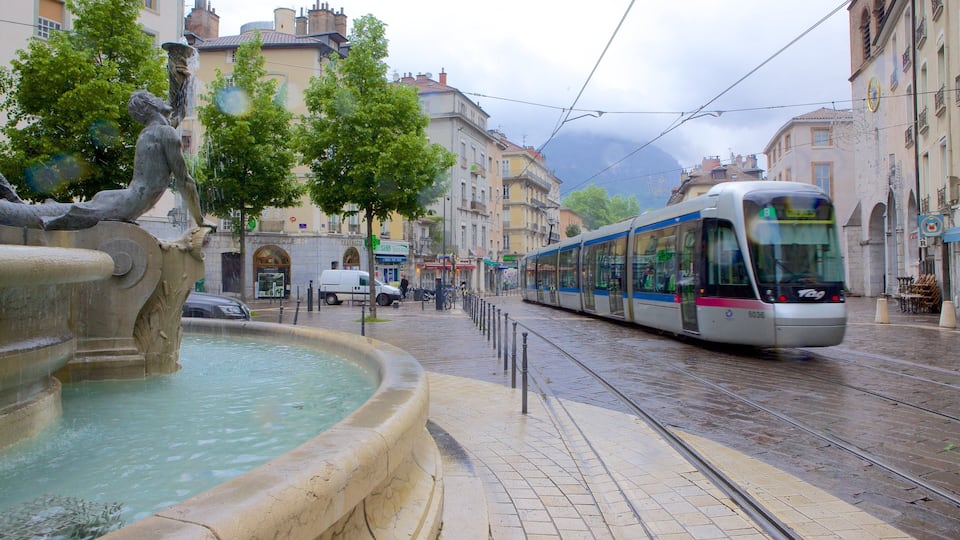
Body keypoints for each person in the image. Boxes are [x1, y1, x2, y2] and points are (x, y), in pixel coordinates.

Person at [0, 90, 213, 231]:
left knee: (60, 211)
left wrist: (180, 80)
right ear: (151, 104)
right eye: (153, 96)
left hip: (125, 197)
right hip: (129, 204)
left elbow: (175, 114)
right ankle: (12, 207)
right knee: (56, 216)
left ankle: (14, 202)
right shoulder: (165, 133)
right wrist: (200, 220)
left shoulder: (150, 132)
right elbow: (185, 180)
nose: (159, 98)